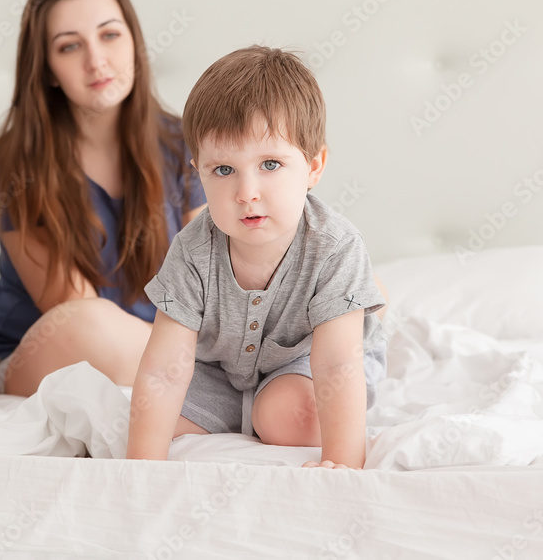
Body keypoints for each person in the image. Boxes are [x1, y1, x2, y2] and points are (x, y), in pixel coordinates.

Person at [126, 46, 388, 469]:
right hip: (222, 371)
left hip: (312, 360)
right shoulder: (192, 252)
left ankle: (360, 308)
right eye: (224, 170)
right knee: (152, 417)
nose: (247, 192)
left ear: (314, 166)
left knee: (286, 417)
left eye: (270, 163)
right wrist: (139, 467)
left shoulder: (334, 246)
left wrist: (343, 465)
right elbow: (163, 371)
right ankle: (242, 412)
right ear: (198, 172)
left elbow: (337, 363)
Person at [0, 0, 207, 399]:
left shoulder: (185, 145)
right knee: (88, 322)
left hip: (167, 358)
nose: (96, 61)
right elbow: (71, 311)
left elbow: (213, 277)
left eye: (109, 35)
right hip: (40, 359)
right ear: (46, 68)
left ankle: (213, 393)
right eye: (69, 46)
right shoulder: (16, 162)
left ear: (134, 42)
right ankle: (222, 393)